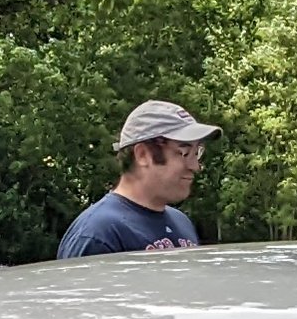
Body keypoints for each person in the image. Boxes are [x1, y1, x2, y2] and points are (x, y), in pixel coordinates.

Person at [58, 102, 216, 258]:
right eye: (184, 153)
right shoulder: (98, 235)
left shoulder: (182, 222)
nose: (195, 166)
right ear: (142, 154)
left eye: (197, 153)